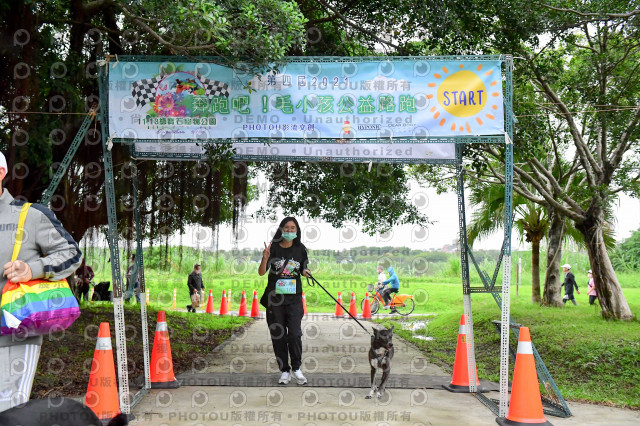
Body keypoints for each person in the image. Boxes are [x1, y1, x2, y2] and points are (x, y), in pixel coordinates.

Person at [0, 152, 82, 411]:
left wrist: (32, 269)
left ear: (1, 173)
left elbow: (71, 253)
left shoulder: (30, 216)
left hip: (13, 334)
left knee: (9, 411)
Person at [258, 217, 310, 385]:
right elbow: (261, 272)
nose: (289, 230)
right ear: (281, 229)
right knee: (278, 336)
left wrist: (306, 272)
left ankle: (297, 368)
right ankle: (285, 371)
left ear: (297, 230)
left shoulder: (300, 249)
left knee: (294, 334)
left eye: (292, 228)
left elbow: (303, 268)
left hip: (294, 299)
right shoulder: (273, 248)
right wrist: (265, 257)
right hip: (275, 300)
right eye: (286, 227)